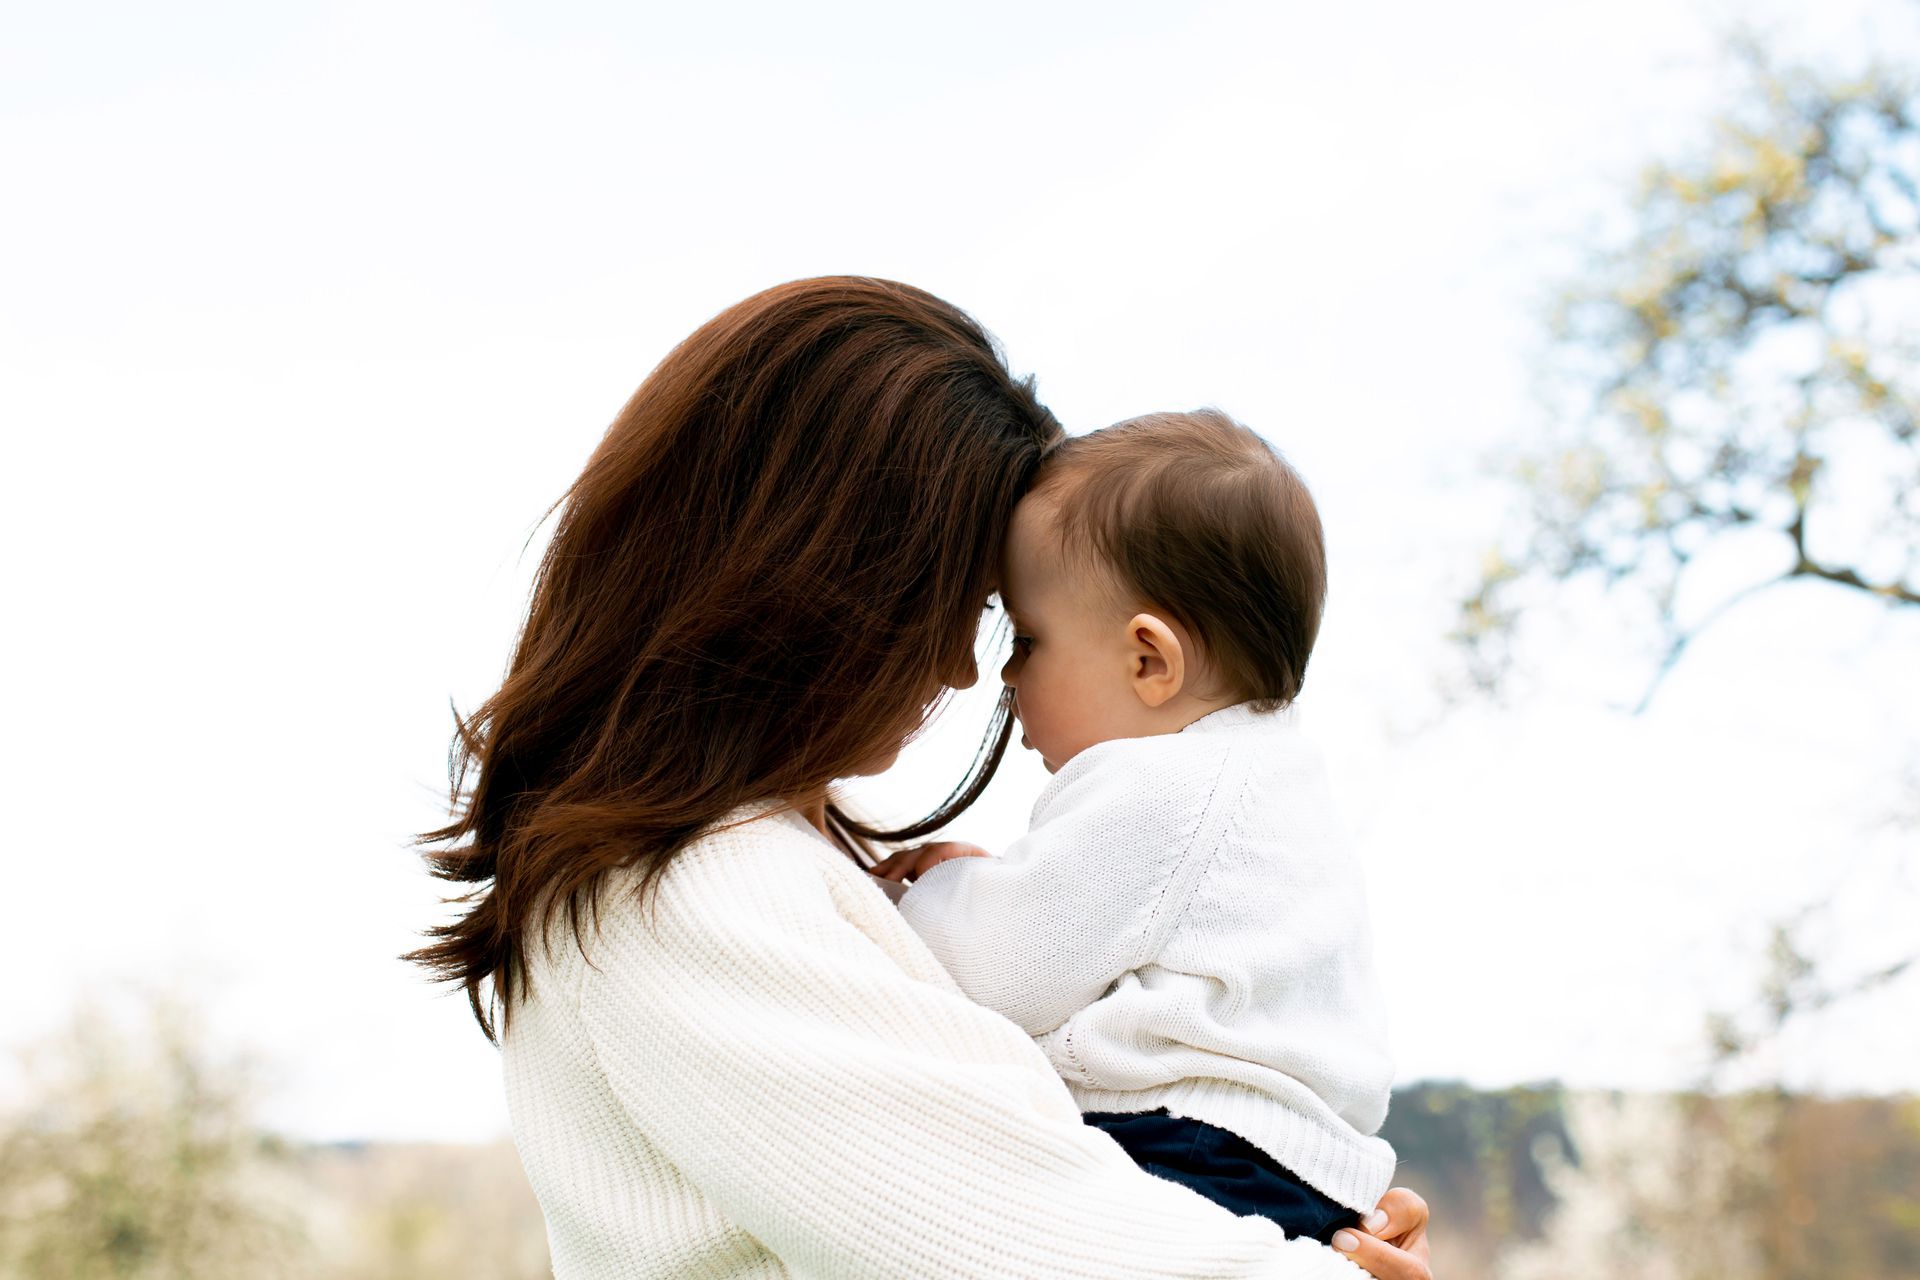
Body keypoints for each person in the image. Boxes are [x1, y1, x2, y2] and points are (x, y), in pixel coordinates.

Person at [408, 277, 1434, 1278]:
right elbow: (1018, 1240)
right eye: (950, 600)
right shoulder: (691, 888)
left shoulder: (744, 870)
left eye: (1004, 623)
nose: (962, 667)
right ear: (816, 576)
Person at [877, 410, 1393, 1246]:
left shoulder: (1163, 786)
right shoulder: (1268, 780)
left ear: (1149, 660)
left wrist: (936, 890)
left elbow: (993, 967)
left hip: (1183, 1151)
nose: (1002, 676)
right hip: (1296, 1176)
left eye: (1028, 639)